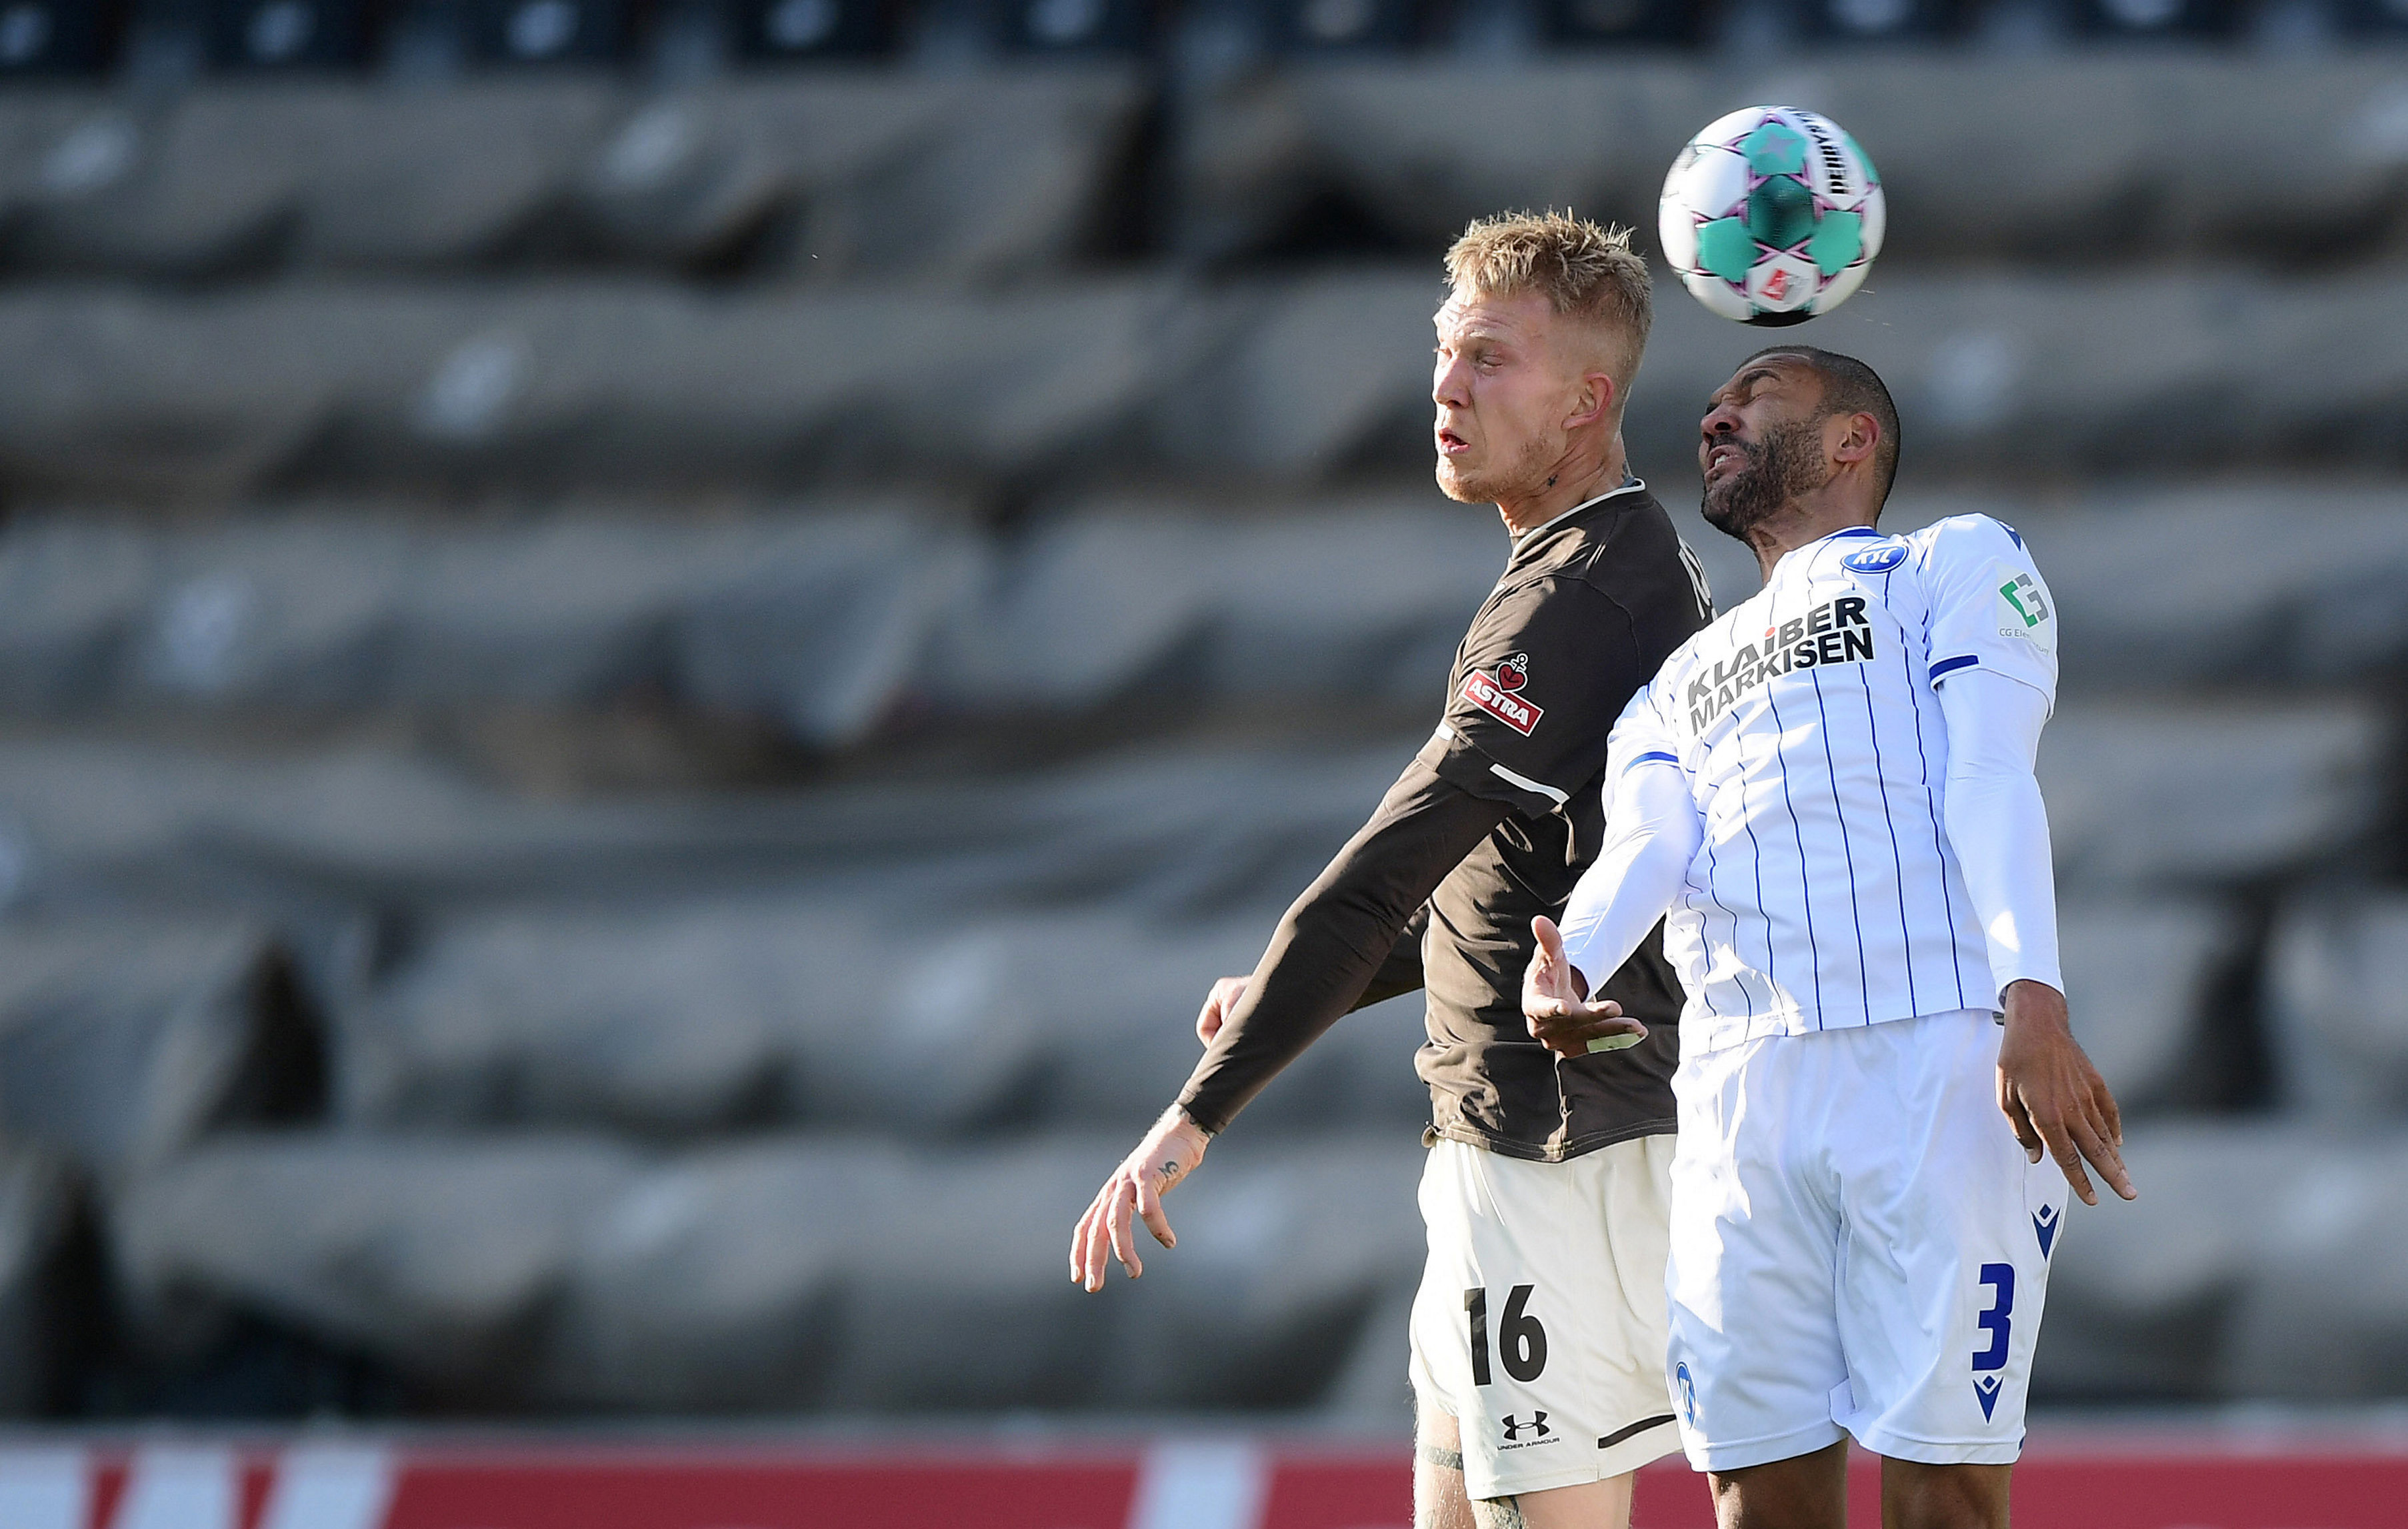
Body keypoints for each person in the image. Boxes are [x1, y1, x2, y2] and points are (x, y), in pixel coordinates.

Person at [1068, 210, 1714, 1529]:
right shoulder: (1596, 570)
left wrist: (1196, 1111)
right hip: (1503, 1138)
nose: (1445, 386)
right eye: (1443, 351)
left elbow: (1382, 870)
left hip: (1561, 1152)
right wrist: (1301, 987)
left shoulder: (1578, 600)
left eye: (1489, 358)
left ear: (1588, 400)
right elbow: (1507, 882)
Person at [1521, 346, 2135, 1529]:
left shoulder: (1953, 561)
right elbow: (1644, 850)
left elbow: (1990, 769)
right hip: (1743, 1088)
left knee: (1946, 1491)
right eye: (1711, 403)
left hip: (1940, 1059)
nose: (1714, 412)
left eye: (1754, 394)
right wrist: (1571, 965)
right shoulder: (1672, 682)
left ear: (1852, 439)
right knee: (1756, 1498)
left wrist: (2033, 997)